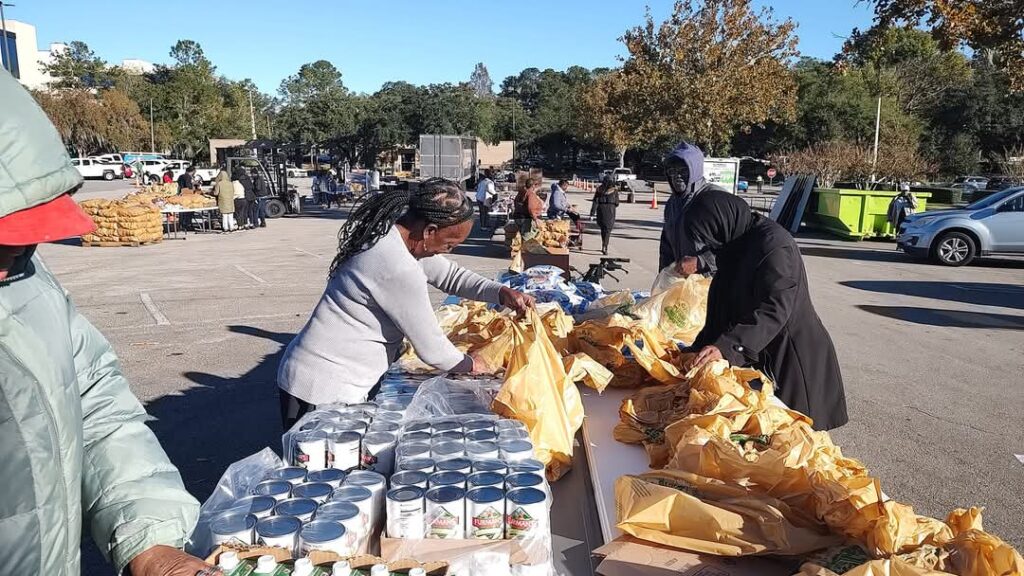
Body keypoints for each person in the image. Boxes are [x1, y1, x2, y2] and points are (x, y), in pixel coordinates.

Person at [0, 67, 210, 576]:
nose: (10, 260)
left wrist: (151, 539)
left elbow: (94, 406)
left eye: (21, 241)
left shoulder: (25, 279)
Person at [277, 179, 535, 427]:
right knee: (323, 467)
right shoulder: (396, 265)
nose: (448, 251)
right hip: (323, 386)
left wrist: (501, 292)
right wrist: (473, 365)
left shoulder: (397, 239)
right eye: (449, 244)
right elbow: (432, 347)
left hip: (323, 376)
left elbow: (450, 275)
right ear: (430, 231)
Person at [682, 189, 849, 430]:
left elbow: (774, 307)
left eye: (708, 237)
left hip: (791, 360)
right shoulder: (734, 243)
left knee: (796, 442)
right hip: (761, 354)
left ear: (721, 222)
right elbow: (723, 301)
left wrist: (729, 347)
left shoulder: (773, 244)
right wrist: (700, 347)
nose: (706, 245)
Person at [659, 141, 724, 276]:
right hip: (682, 287)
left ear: (694, 170)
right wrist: (663, 279)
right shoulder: (672, 204)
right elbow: (666, 248)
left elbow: (738, 244)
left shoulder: (715, 198)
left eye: (683, 170)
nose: (677, 176)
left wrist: (700, 261)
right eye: (672, 171)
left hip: (713, 284)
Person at [590, 176, 619, 255]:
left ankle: (604, 244)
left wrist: (592, 213)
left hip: (601, 210)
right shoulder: (614, 190)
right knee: (608, 230)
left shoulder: (599, 190)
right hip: (610, 210)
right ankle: (605, 246)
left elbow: (595, 202)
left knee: (603, 229)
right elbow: (617, 203)